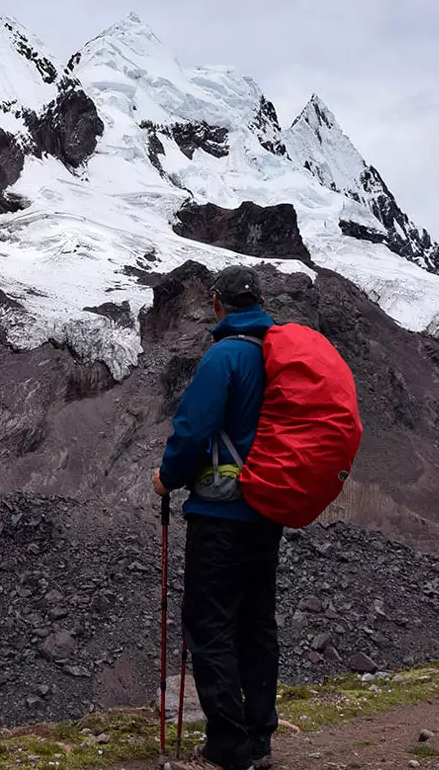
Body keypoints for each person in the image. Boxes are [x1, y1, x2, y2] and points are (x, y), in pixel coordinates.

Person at [153, 266, 281, 770]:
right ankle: (259, 740)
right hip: (267, 510)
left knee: (209, 624)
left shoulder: (224, 356)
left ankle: (229, 749)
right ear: (261, 301)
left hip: (221, 511)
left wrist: (168, 477)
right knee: (255, 623)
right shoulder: (276, 358)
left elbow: (192, 430)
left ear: (217, 304)